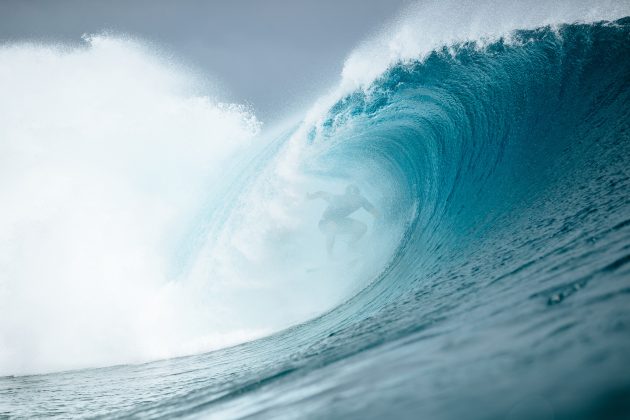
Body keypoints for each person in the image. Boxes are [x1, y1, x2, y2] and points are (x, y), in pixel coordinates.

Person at [307, 184, 379, 257]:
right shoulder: (337, 198)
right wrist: (310, 197)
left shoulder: (360, 200)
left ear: (357, 195)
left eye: (354, 196)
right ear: (346, 195)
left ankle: (350, 244)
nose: (352, 199)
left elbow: (372, 209)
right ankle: (330, 255)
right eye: (349, 196)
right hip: (325, 222)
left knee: (362, 227)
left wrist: (377, 215)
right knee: (332, 226)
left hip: (340, 222)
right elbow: (321, 193)